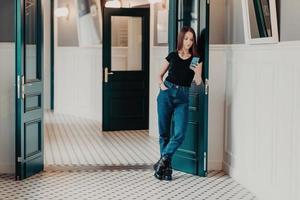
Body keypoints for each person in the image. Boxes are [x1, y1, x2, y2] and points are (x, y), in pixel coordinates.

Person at [154, 26, 203, 181]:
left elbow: (198, 81)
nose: (188, 42)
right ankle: (166, 170)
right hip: (166, 93)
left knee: (180, 133)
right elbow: (159, 75)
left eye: (191, 39)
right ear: (181, 39)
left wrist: (197, 73)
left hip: (183, 96)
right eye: (186, 38)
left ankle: (162, 161)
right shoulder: (173, 55)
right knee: (164, 133)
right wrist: (161, 86)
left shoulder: (196, 59)